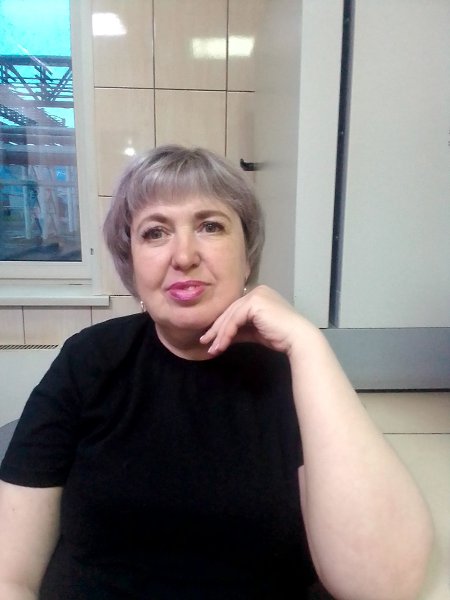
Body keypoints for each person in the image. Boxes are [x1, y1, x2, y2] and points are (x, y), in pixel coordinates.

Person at [0, 145, 433, 599]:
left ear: (247, 256)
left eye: (210, 226)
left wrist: (308, 343)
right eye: (155, 233)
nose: (184, 256)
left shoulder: (296, 372)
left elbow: (382, 585)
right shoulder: (87, 360)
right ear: (131, 265)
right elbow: (9, 575)